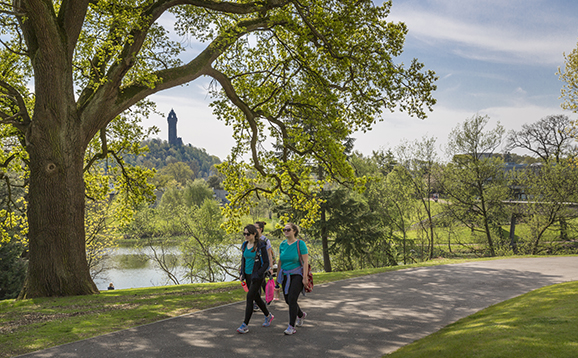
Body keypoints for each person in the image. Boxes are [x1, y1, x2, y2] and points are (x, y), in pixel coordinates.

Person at [237, 224, 274, 334]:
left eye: (248, 234)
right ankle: (268, 315)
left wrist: (258, 273)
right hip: (247, 276)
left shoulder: (261, 245)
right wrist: (242, 273)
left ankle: (245, 325)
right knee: (256, 297)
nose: (246, 236)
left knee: (249, 297)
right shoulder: (244, 245)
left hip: (257, 276)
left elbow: (266, 263)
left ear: (254, 234)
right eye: (244, 234)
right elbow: (243, 260)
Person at [277, 222, 309, 335]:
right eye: (284, 230)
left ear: (294, 231)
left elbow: (305, 262)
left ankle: (291, 326)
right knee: (288, 300)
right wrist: (277, 278)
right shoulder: (282, 244)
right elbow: (280, 261)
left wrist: (304, 278)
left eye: (288, 229)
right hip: (285, 275)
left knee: (292, 298)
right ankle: (301, 314)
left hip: (297, 274)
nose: (285, 231)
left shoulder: (300, 244)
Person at [255, 221, 275, 304]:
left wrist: (270, 267)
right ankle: (268, 297)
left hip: (264, 264)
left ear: (260, 229)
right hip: (255, 265)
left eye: (255, 228)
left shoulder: (266, 240)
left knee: (258, 282)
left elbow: (269, 254)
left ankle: (257, 303)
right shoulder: (252, 239)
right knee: (260, 282)